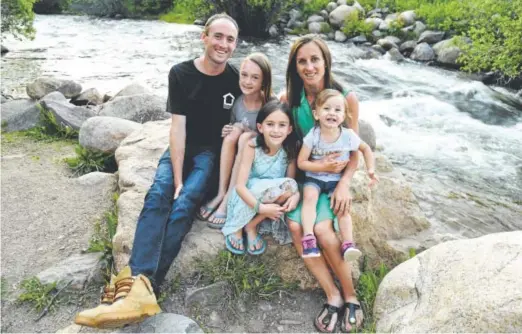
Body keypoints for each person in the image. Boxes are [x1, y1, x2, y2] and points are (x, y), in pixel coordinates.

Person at [74, 13, 241, 329]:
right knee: (159, 194)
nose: (224, 44)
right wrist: (177, 175)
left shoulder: (235, 78)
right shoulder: (181, 73)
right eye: (218, 36)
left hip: (209, 154)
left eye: (230, 39)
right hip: (181, 148)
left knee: (184, 203)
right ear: (204, 38)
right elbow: (177, 130)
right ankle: (140, 284)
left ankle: (141, 286)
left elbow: (264, 104)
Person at [281, 34, 365, 333]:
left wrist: (344, 184)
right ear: (295, 66)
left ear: (326, 61)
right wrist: (289, 186)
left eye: (314, 59)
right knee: (294, 226)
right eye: (302, 61)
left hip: (334, 179)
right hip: (308, 176)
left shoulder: (346, 97)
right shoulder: (290, 99)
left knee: (322, 231)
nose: (309, 66)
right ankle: (333, 295)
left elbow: (355, 151)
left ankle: (351, 295)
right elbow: (289, 147)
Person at [298, 89, 378, 260]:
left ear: (343, 116)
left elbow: (365, 148)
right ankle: (308, 238)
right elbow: (301, 163)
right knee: (310, 196)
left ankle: (348, 244)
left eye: (337, 110)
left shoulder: (347, 136)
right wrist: (322, 166)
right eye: (326, 109)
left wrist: (371, 170)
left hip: (336, 180)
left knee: (342, 208)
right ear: (316, 114)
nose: (332, 113)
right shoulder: (313, 135)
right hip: (315, 177)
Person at [198, 52, 275, 229]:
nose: (247, 81)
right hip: (240, 156)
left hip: (262, 157)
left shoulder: (269, 103)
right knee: (234, 133)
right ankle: (221, 192)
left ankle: (228, 199)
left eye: (255, 77)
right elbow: (233, 125)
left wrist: (248, 132)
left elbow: (275, 136)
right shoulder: (238, 102)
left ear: (264, 81)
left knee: (245, 137)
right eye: (244, 75)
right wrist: (229, 128)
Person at [221, 100, 300, 254]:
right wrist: (261, 207)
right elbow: (240, 187)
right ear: (260, 127)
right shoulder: (252, 146)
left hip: (271, 195)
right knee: (259, 187)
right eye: (270, 124)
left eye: (282, 125)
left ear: (289, 129)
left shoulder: (290, 149)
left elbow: (290, 182)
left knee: (291, 187)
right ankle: (238, 225)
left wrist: (296, 195)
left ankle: (251, 225)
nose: (276, 130)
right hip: (248, 196)